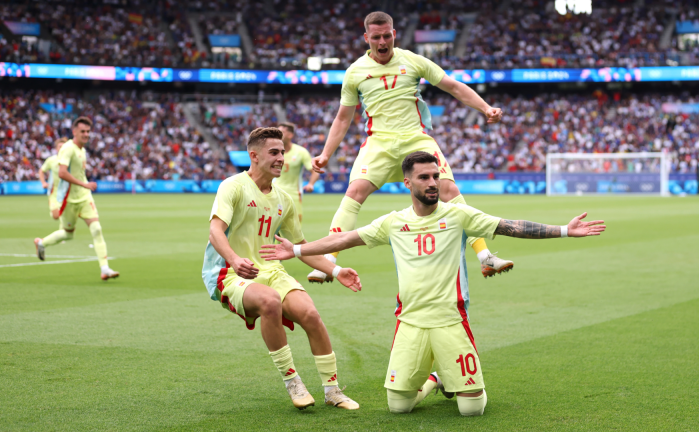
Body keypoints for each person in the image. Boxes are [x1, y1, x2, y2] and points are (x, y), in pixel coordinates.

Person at [261, 151, 606, 416]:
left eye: (436, 177)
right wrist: (296, 249)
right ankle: (434, 379)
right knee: (399, 406)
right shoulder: (392, 223)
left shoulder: (458, 215)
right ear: (407, 183)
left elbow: (509, 225)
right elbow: (344, 240)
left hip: (450, 320)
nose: (432, 183)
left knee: (472, 409)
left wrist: (564, 229)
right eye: (424, 177)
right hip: (409, 320)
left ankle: (449, 378)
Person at [307, 11, 513, 284]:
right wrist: (325, 154)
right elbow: (343, 117)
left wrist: (485, 107)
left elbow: (452, 86)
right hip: (378, 142)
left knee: (448, 190)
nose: (382, 42)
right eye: (376, 37)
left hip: (415, 138)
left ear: (394, 34)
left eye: (386, 35)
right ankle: (327, 261)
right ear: (366, 38)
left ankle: (485, 258)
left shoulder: (413, 61)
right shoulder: (355, 71)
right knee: (354, 191)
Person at [203, 127, 360, 411]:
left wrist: (336, 271)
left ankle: (332, 390)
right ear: (254, 155)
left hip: (271, 271)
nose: (280, 158)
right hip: (230, 272)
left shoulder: (284, 199)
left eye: (282, 153)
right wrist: (235, 259)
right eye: (273, 152)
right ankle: (293, 382)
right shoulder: (233, 186)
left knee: (311, 314)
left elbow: (300, 247)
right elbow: (215, 230)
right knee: (269, 301)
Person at [33, 117, 119, 280]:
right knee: (67, 234)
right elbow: (62, 173)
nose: (86, 135)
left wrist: (84, 186)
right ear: (74, 132)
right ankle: (41, 243)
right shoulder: (68, 148)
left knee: (96, 229)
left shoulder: (82, 150)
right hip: (68, 200)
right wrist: (84, 184)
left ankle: (105, 268)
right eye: (83, 132)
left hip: (84, 198)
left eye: (88, 131)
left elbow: (79, 173)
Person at [272, 122, 320, 224]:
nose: (278, 134)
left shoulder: (300, 152)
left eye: (282, 132)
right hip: (274, 194)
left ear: (290, 135)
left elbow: (315, 171)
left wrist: (311, 184)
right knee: (273, 231)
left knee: (294, 233)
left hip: (294, 195)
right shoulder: (272, 152)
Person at [37, 137, 68, 220]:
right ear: (56, 148)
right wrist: (43, 182)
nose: (61, 148)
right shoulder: (51, 160)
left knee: (66, 218)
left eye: (63, 146)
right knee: (56, 216)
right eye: (59, 146)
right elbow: (41, 171)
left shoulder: (70, 160)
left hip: (67, 193)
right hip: (54, 192)